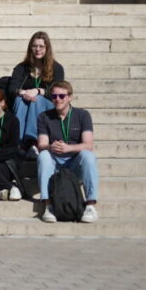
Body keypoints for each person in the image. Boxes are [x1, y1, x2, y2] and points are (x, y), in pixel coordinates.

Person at [37, 81, 99, 224]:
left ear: (70, 97)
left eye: (61, 96)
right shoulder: (44, 116)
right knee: (43, 155)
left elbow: (88, 145)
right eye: (54, 96)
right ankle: (48, 206)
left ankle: (90, 206)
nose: (57, 99)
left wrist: (69, 148)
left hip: (74, 163)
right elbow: (41, 145)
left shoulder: (82, 115)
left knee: (88, 155)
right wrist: (51, 147)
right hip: (55, 163)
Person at [9, 31, 65, 145]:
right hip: (25, 104)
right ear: (30, 48)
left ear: (47, 48)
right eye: (34, 46)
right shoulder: (22, 67)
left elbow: (58, 92)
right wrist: (24, 93)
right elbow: (12, 88)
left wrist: (38, 91)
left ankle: (32, 140)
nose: (37, 49)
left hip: (48, 106)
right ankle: (17, 141)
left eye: (41, 46)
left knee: (37, 99)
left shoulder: (57, 68)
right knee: (20, 99)